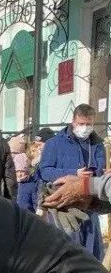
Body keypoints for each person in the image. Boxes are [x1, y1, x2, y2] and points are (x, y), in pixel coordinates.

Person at [36, 103, 106, 260]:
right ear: (73, 122)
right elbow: (45, 171)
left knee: (92, 257)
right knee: (66, 255)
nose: (85, 128)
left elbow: (101, 172)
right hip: (64, 208)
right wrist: (74, 174)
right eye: (82, 124)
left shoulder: (98, 144)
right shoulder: (55, 143)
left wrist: (95, 176)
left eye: (89, 124)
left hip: (89, 206)